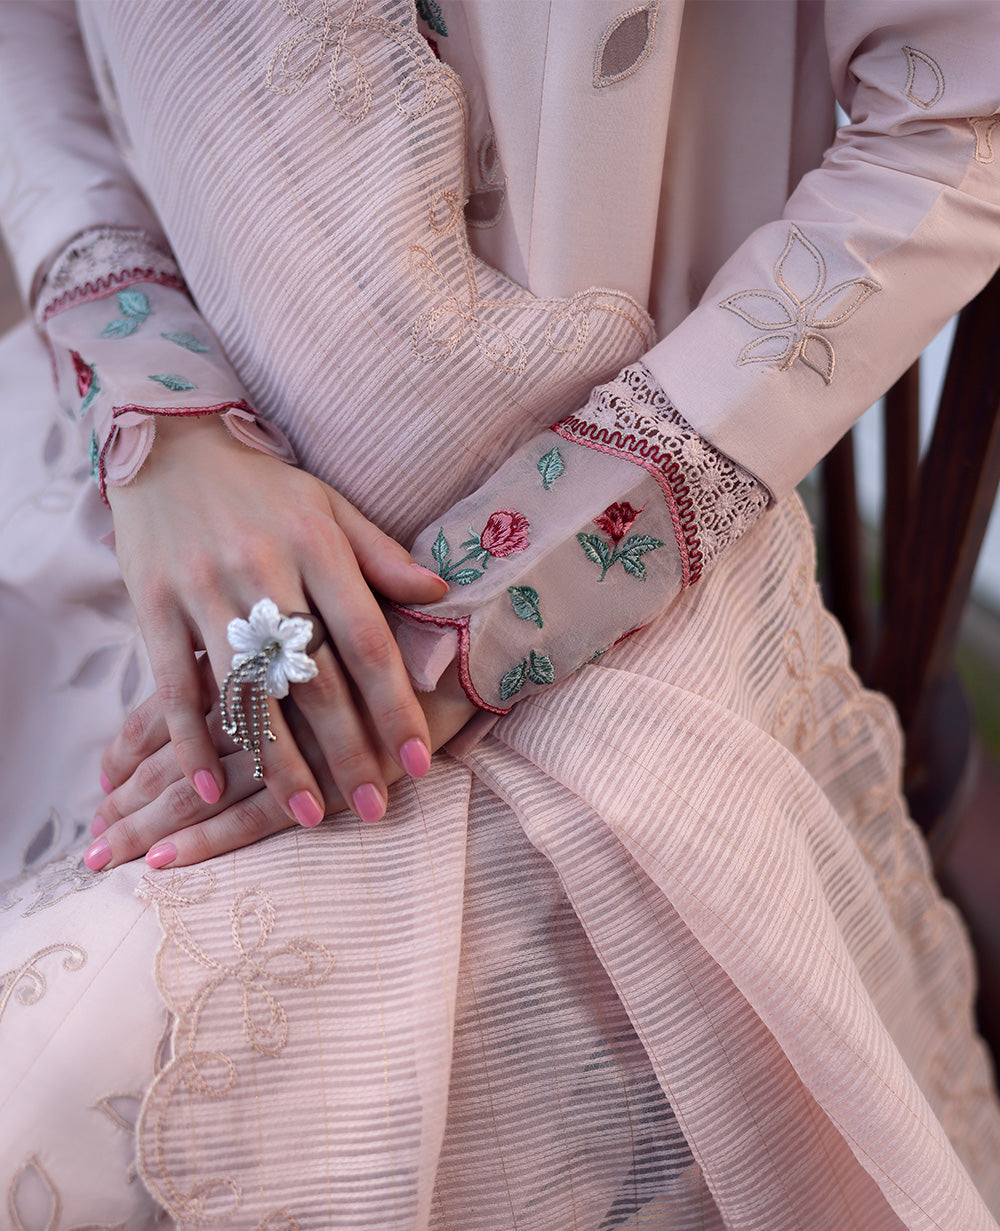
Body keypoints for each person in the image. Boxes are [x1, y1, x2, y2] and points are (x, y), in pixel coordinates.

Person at [1, 0, 999, 1225]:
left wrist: (473, 618)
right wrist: (159, 415)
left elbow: (963, 109)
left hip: (601, 591)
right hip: (136, 484)